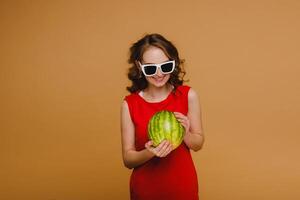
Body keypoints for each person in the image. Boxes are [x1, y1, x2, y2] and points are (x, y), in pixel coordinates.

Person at [120, 33, 205, 200]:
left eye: (165, 66)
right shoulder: (129, 104)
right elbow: (128, 159)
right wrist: (150, 152)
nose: (159, 74)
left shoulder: (188, 95)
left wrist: (185, 134)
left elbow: (198, 144)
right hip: (146, 190)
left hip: (182, 188)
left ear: (173, 63)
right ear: (139, 66)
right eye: (150, 68)